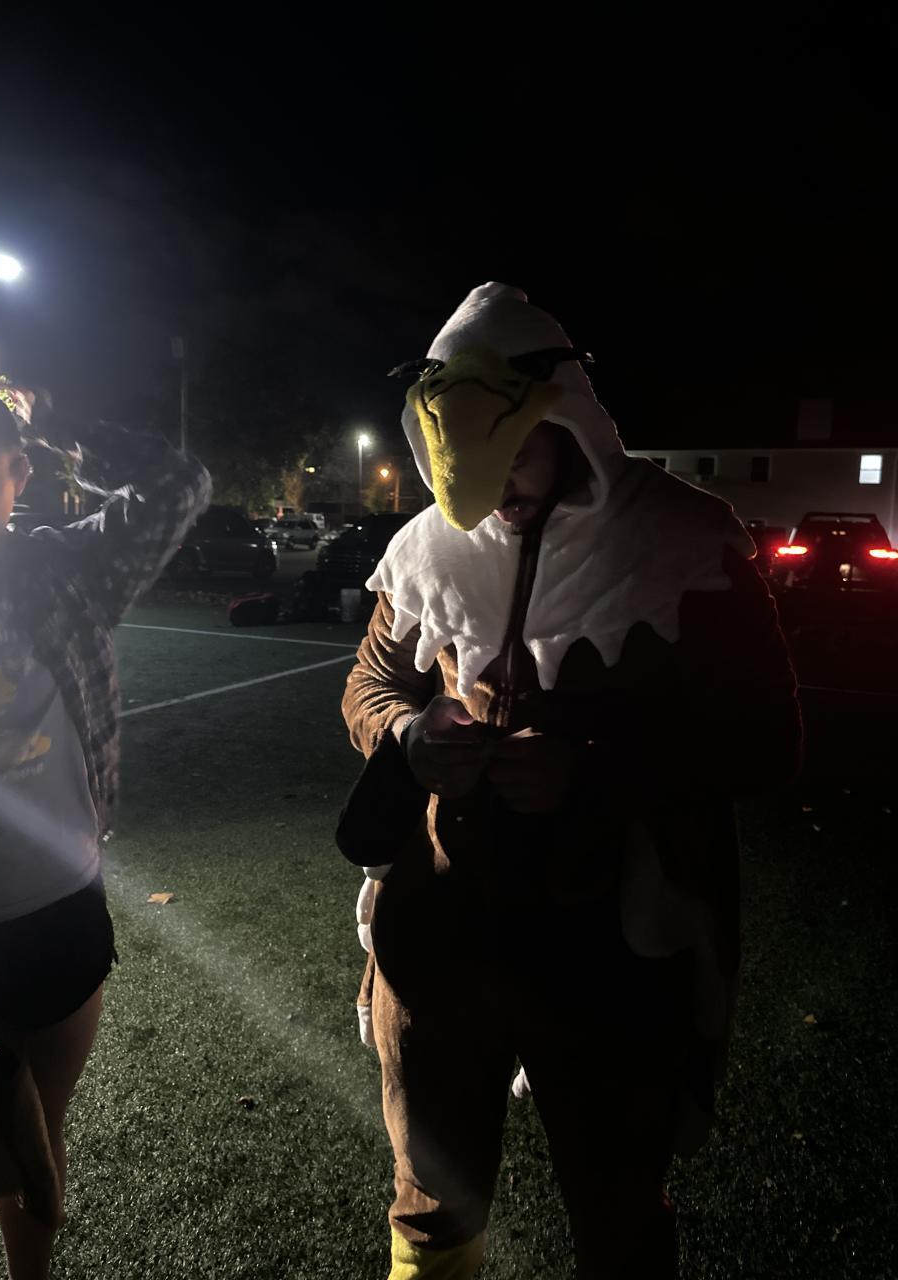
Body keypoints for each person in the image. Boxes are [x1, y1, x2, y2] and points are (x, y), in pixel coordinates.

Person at [338, 283, 802, 1279]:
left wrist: (595, 773)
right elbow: (372, 682)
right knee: (431, 1198)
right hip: (440, 925)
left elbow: (768, 735)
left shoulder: (684, 539)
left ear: (569, 420)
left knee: (617, 1205)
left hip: (611, 941)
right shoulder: (422, 548)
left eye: (515, 453)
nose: (492, 486)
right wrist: (410, 732)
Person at [0, 382, 211, 1280]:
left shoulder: (64, 570)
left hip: (50, 907)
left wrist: (53, 420)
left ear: (18, 476)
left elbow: (177, 485)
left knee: (31, 1138)